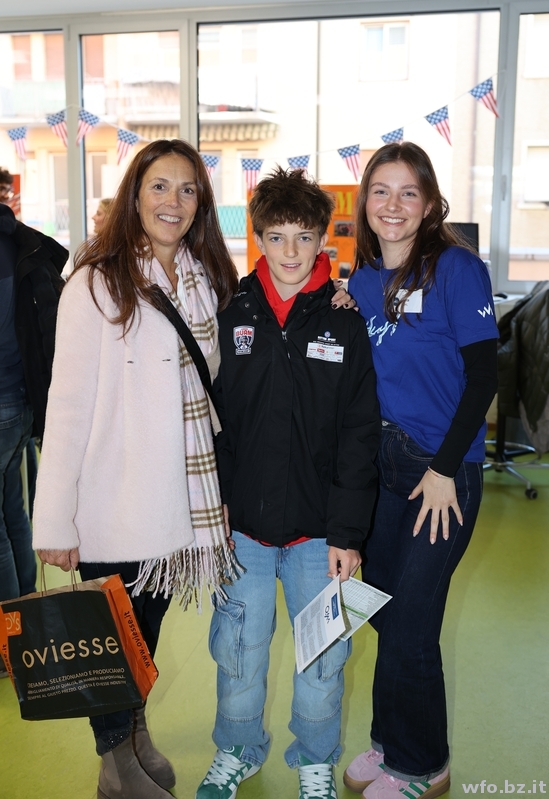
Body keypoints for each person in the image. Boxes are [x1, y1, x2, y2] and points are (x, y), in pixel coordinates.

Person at [32, 139, 243, 799]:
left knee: (143, 633)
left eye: (187, 189)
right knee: (109, 637)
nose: (172, 201)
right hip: (109, 500)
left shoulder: (208, 280)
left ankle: (133, 733)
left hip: (179, 499)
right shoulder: (95, 282)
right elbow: (66, 406)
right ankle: (116, 765)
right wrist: (54, 519)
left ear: (200, 204)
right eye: (159, 186)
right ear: (135, 194)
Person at [197, 167, 380, 799]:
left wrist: (348, 534)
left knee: (323, 660)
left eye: (304, 237)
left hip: (320, 534)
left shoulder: (345, 322)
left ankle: (316, 759)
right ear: (258, 239)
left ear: (324, 239)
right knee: (238, 651)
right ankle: (238, 749)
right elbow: (213, 422)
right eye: (277, 237)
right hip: (242, 529)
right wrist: (217, 506)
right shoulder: (231, 313)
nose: (291, 252)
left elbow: (359, 434)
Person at [343, 142, 498, 799]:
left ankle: (422, 764)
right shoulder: (360, 283)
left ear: (430, 204)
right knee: (383, 610)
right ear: (365, 203)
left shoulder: (456, 268)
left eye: (408, 192)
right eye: (380, 190)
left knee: (410, 622)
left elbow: (484, 375)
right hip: (382, 467)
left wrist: (443, 468)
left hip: (440, 474)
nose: (393, 204)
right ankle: (389, 741)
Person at [0, 200, 66, 613]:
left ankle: (8, 631)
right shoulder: (16, 240)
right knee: (13, 511)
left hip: (4, 402)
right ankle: (24, 609)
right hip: (23, 401)